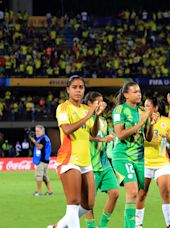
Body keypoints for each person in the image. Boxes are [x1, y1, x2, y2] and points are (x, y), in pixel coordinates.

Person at [48, 75, 106, 228]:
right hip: (69, 160)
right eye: (74, 87)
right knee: (73, 202)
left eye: (81, 87)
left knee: (88, 204)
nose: (78, 90)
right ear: (68, 90)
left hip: (85, 161)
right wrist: (88, 116)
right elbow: (66, 130)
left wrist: (97, 117)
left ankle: (58, 227)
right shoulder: (63, 108)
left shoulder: (87, 109)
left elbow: (93, 134)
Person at [112, 81, 159, 228]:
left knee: (137, 193)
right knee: (132, 192)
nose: (139, 94)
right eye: (135, 92)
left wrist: (150, 124)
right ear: (126, 95)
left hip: (139, 158)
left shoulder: (143, 112)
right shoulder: (119, 110)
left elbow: (149, 138)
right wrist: (141, 123)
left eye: (139, 91)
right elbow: (120, 135)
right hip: (122, 155)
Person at [136, 96, 170, 228]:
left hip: (162, 163)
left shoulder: (166, 122)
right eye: (145, 105)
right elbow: (139, 140)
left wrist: (167, 136)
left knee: (166, 191)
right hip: (144, 163)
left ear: (155, 108)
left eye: (148, 105)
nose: (145, 108)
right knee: (142, 193)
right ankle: (138, 224)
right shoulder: (141, 120)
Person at [83, 91, 119, 228]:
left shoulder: (103, 120)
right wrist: (103, 138)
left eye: (102, 101)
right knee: (88, 201)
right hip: (90, 165)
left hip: (104, 164)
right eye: (98, 101)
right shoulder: (85, 119)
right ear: (89, 104)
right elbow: (88, 136)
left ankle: (102, 226)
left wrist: (109, 135)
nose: (102, 104)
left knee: (115, 193)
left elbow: (105, 135)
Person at [30, 125, 53, 196]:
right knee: (44, 176)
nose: (36, 132)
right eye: (36, 131)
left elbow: (40, 147)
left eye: (38, 131)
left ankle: (38, 191)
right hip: (44, 160)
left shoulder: (43, 139)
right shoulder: (44, 138)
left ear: (42, 131)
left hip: (42, 160)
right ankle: (50, 191)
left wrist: (33, 140)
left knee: (38, 176)